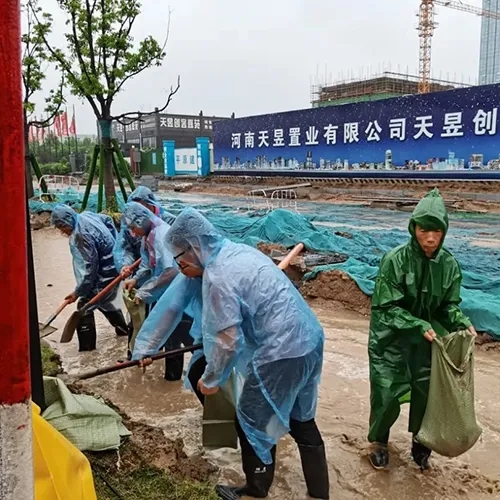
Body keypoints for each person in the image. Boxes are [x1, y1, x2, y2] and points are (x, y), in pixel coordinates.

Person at [136, 207, 330, 500]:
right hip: (310, 339)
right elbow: (179, 309)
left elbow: (227, 342)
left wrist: (211, 379)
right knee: (301, 420)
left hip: (280, 351)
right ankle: (319, 492)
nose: (179, 266)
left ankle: (255, 489)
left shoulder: (218, 276)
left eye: (179, 259)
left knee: (251, 419)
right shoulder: (238, 252)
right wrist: (146, 349)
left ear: (194, 248)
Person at [368, 188, 477, 471]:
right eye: (423, 230)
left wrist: (460, 321)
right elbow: (385, 307)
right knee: (386, 393)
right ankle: (378, 441)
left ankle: (421, 442)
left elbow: (448, 305)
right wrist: (417, 324)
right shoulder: (395, 260)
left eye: (436, 231)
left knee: (427, 394)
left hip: (427, 342)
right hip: (390, 340)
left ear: (444, 232)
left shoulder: (449, 265)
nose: (429, 238)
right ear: (413, 228)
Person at [122, 201, 194, 380]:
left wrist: (145, 291)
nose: (133, 233)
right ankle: (173, 380)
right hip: (164, 295)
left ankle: (202, 373)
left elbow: (171, 271)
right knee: (171, 336)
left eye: (133, 227)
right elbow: (147, 264)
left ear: (141, 221)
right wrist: (136, 279)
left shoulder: (161, 235)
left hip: (179, 293)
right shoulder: (147, 237)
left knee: (183, 335)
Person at [51, 204, 128, 351]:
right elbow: (107, 220)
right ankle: (124, 332)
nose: (63, 232)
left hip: (105, 273)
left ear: (68, 221)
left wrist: (78, 292)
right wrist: (115, 245)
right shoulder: (85, 216)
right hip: (114, 266)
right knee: (106, 301)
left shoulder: (81, 236)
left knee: (84, 306)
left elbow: (90, 268)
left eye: (62, 227)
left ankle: (87, 351)